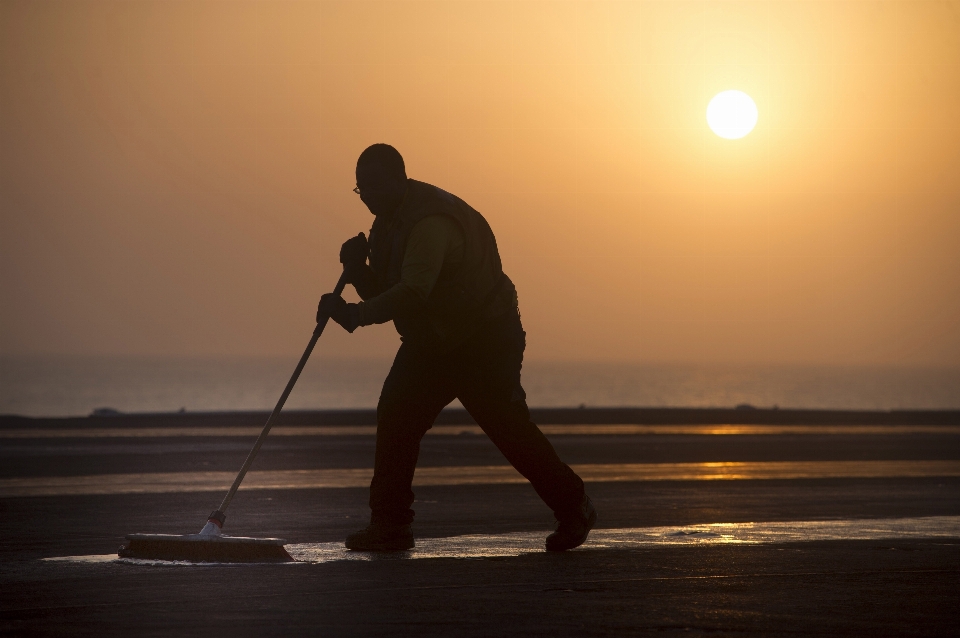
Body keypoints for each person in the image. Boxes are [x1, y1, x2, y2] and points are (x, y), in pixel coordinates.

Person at [318, 144, 596, 552]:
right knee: (396, 416)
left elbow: (413, 293)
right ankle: (390, 524)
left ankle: (575, 508)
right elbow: (392, 290)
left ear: (400, 179)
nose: (369, 197)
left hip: (483, 340)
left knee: (508, 429)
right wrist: (360, 271)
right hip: (433, 341)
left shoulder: (431, 221)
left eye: (375, 186)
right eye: (362, 190)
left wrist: (355, 316)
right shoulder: (387, 223)